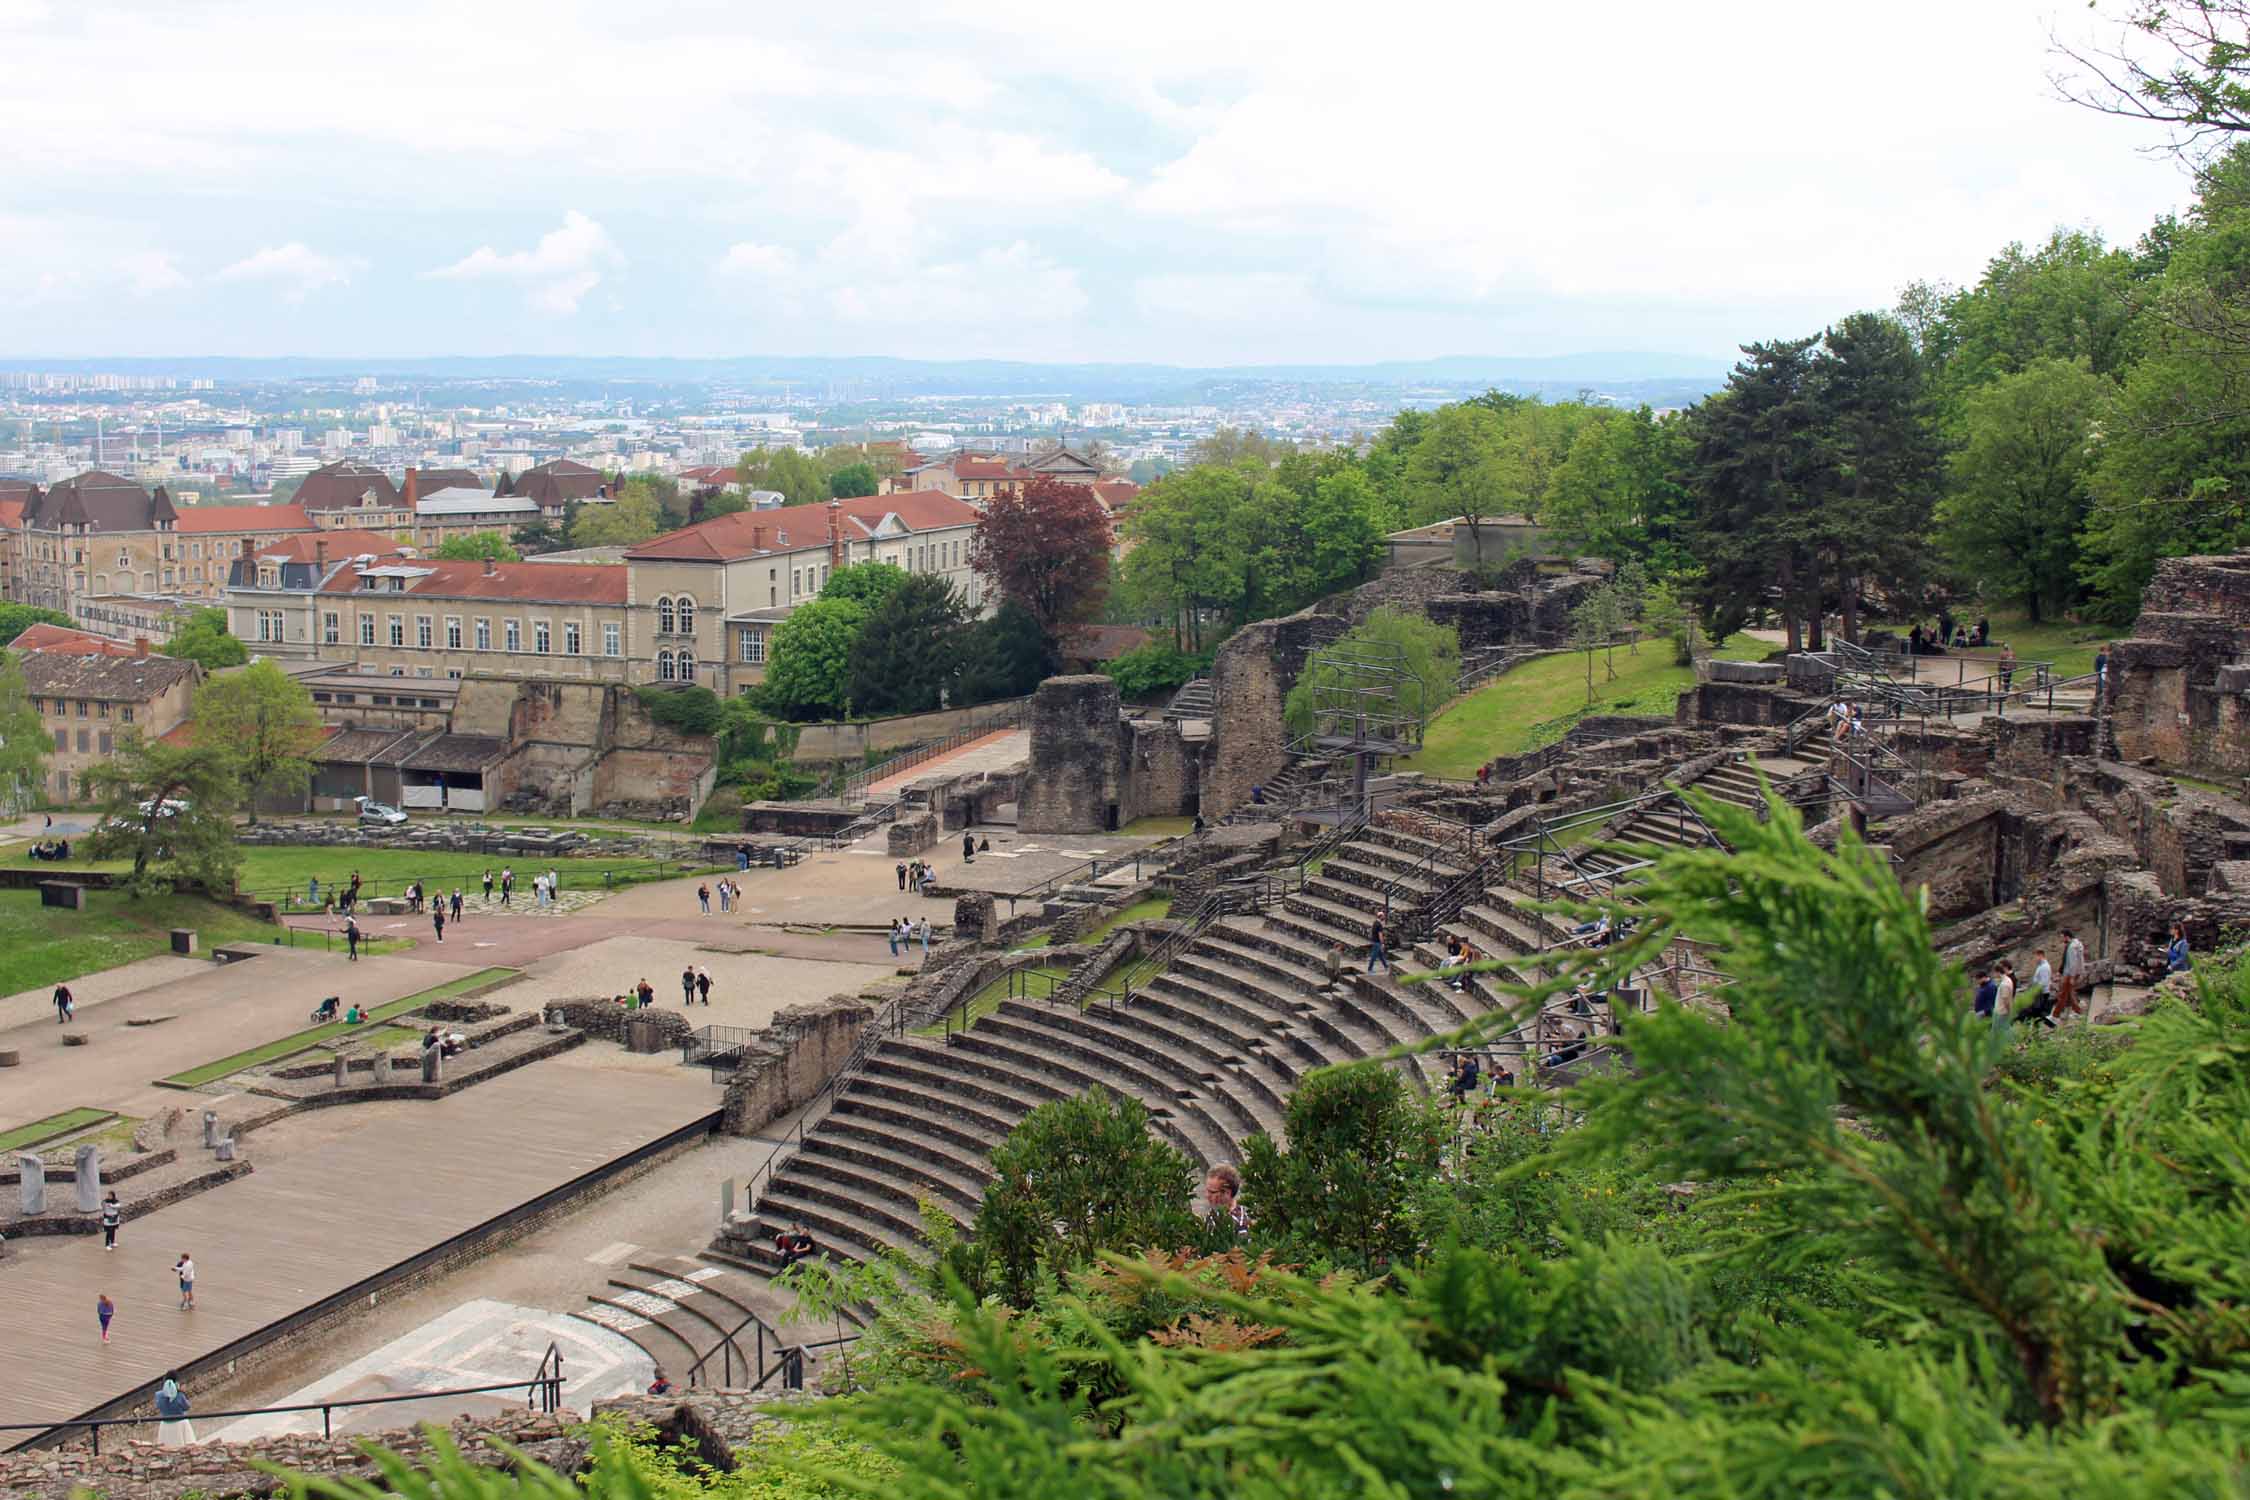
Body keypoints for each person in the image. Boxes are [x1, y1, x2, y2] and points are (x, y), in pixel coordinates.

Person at [1202, 1165, 1250, 1236]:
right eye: (1207, 1190)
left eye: (1212, 1192)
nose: (1207, 1195)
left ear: (1227, 1193)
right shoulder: (1215, 1212)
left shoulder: (1240, 1223)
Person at [155, 1373, 193, 1445]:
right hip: (180, 1423)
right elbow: (187, 1407)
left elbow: (158, 1406)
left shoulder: (158, 1395)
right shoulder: (180, 1395)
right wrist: (183, 1393)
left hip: (165, 1424)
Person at [2059, 928, 2086, 1018]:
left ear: (2067, 937)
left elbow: (2072, 963)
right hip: (2073, 972)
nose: (2061, 939)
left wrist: (2071, 977)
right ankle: (2070, 1010)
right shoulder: (2076, 944)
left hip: (2070, 974)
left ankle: (2077, 1011)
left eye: (2062, 937)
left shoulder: (2071, 947)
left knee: (2068, 992)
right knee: (2068, 992)